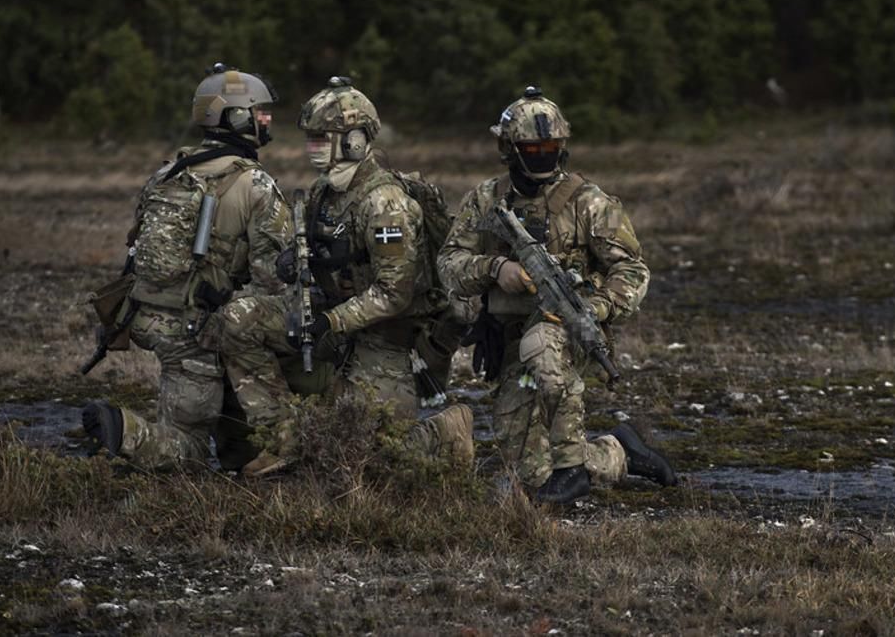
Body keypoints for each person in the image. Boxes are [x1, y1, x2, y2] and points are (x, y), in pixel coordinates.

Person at [437, 86, 676, 504]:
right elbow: (449, 263)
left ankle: (572, 471)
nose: (543, 155)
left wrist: (597, 305)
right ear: (509, 149)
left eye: (551, 146)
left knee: (544, 344)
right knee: (528, 472)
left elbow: (632, 269)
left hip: (570, 333)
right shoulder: (485, 200)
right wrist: (496, 269)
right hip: (509, 339)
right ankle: (617, 451)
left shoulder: (588, 201)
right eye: (532, 147)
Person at [81, 64, 320, 471]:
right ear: (236, 116)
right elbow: (275, 278)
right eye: (259, 110)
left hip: (150, 319)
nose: (267, 119)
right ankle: (127, 432)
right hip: (196, 328)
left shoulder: (168, 172)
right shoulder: (254, 183)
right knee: (187, 448)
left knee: (190, 409)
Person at [239, 76, 473, 473]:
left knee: (365, 459)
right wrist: (294, 262)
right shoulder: (322, 192)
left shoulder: (385, 203)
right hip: (336, 328)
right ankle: (282, 438)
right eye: (310, 139)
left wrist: (332, 321)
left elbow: (393, 293)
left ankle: (446, 432)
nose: (312, 148)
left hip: (384, 340)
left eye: (321, 138)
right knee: (238, 321)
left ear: (354, 141)